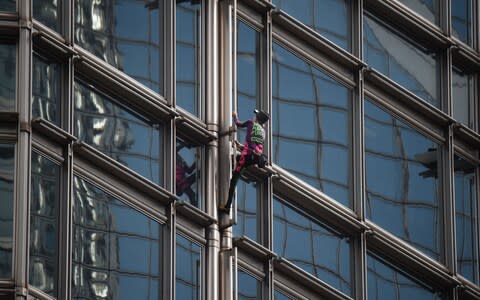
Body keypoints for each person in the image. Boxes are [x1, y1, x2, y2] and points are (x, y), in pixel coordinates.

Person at [219, 109, 269, 213]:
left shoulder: (251, 123)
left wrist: (234, 116)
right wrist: (241, 146)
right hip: (254, 158)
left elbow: (238, 124)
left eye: (256, 115)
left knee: (234, 180)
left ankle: (227, 207)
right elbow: (254, 144)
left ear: (257, 118)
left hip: (246, 156)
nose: (253, 116)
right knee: (240, 166)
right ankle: (228, 206)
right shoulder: (263, 132)